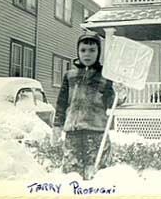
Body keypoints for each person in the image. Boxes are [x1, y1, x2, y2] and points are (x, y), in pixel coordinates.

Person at [51, 31, 125, 180]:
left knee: (98, 174)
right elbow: (61, 103)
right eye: (83, 50)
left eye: (92, 50)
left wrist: (120, 95)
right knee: (72, 174)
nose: (87, 54)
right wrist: (57, 126)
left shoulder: (105, 76)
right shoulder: (69, 75)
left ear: (98, 52)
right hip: (73, 131)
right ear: (78, 52)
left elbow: (111, 102)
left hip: (96, 132)